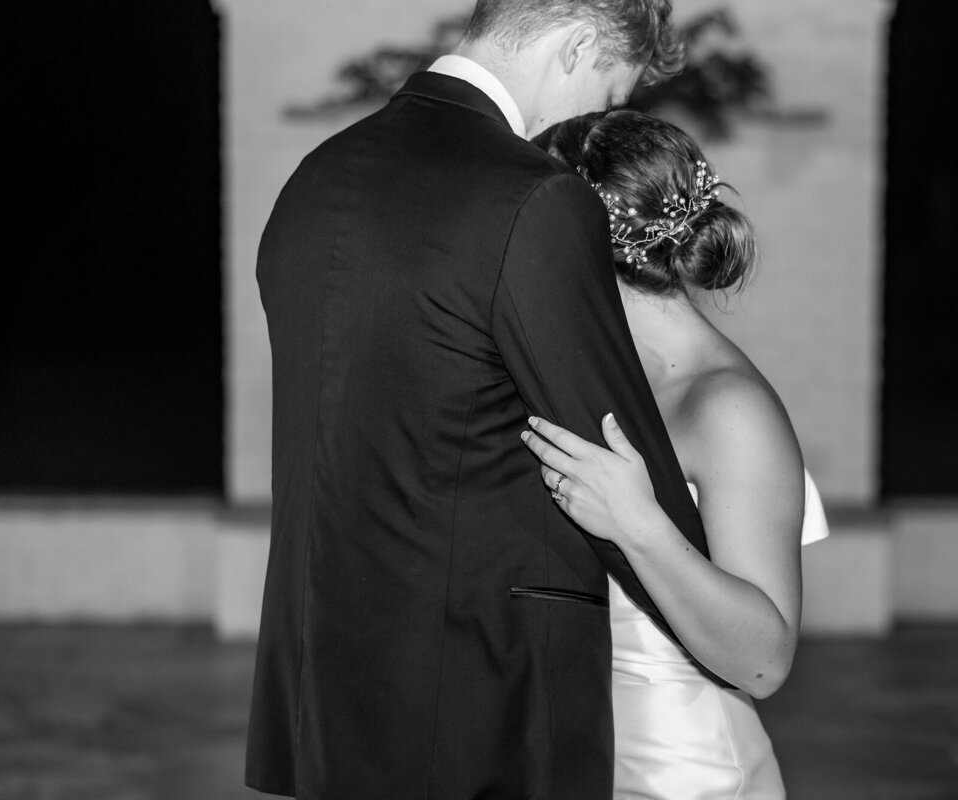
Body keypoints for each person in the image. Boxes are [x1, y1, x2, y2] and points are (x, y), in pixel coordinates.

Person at [245, 3, 719, 798]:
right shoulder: (534, 197)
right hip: (482, 696)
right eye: (608, 94)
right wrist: (714, 604)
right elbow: (610, 441)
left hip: (326, 684)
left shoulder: (316, 176)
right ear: (576, 45)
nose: (595, 124)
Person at [526, 110, 830, 798]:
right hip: (582, 758)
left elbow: (765, 661)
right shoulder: (589, 372)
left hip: (686, 774)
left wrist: (638, 524)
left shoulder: (727, 406)